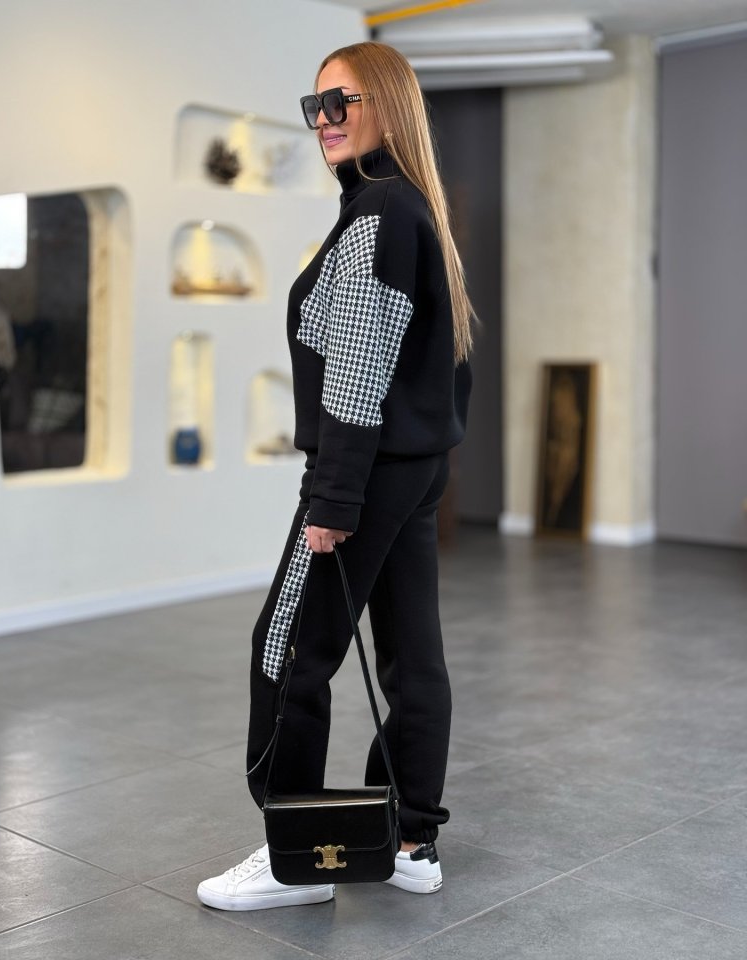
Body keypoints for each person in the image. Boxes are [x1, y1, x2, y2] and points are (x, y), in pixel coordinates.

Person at [197, 40, 473, 912]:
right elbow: (444, 367)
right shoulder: (408, 208)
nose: (324, 121)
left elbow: (358, 369)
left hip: (365, 476)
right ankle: (411, 839)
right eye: (315, 106)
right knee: (412, 657)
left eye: (341, 102)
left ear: (387, 105)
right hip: (412, 469)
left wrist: (335, 498)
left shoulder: (381, 212)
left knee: (284, 650)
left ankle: (298, 858)